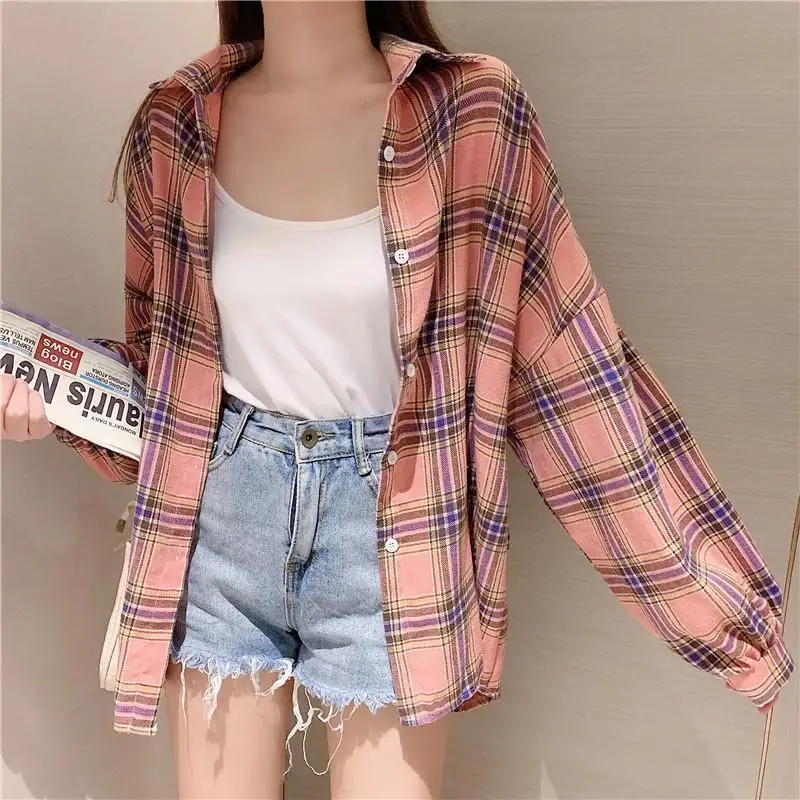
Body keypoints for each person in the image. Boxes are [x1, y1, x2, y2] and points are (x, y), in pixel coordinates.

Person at [1, 2, 793, 798]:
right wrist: (51, 394)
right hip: (224, 515)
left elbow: (568, 371)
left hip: (396, 522)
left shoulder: (472, 114)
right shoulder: (174, 125)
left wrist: (727, 620)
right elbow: (164, 376)